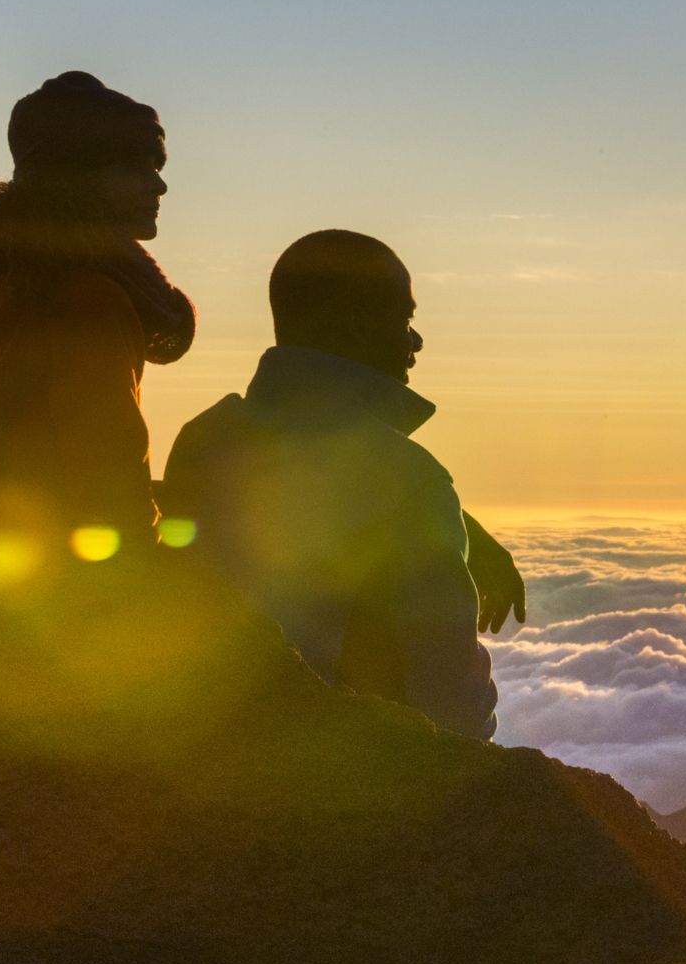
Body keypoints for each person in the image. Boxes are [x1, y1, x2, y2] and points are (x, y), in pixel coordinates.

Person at [160, 230, 520, 739]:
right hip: (332, 766)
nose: (415, 342)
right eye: (406, 320)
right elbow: (449, 697)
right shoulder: (407, 477)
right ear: (356, 323)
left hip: (199, 740)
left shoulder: (202, 438)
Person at [0, 71, 192, 549]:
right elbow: (111, 489)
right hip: (40, 600)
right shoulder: (87, 303)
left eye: (157, 164)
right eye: (134, 165)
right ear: (76, 178)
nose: (159, 185)